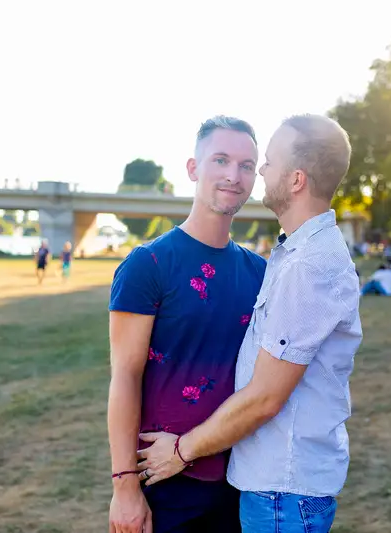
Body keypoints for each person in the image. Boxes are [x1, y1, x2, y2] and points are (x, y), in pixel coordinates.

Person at [136, 114, 362, 532]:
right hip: (273, 489)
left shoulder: (309, 267)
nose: (259, 171)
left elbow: (264, 398)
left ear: (295, 180)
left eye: (268, 161)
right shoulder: (295, 255)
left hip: (282, 494)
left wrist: (182, 451)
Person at [107, 116, 266, 533]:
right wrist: (124, 488)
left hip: (245, 478)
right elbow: (124, 377)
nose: (234, 175)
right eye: (221, 160)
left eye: (247, 165)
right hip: (166, 479)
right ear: (193, 169)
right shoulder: (148, 264)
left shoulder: (262, 273)